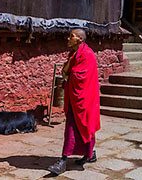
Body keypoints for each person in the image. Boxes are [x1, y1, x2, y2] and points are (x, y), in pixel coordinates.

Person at [48, 29, 100, 175]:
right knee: (79, 126)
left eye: (71, 36)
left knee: (78, 126)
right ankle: (90, 153)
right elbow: (67, 71)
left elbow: (79, 76)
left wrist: (68, 72)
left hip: (84, 99)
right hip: (76, 98)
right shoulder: (75, 54)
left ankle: (63, 161)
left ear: (80, 40)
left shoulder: (87, 54)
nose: (68, 38)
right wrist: (68, 69)